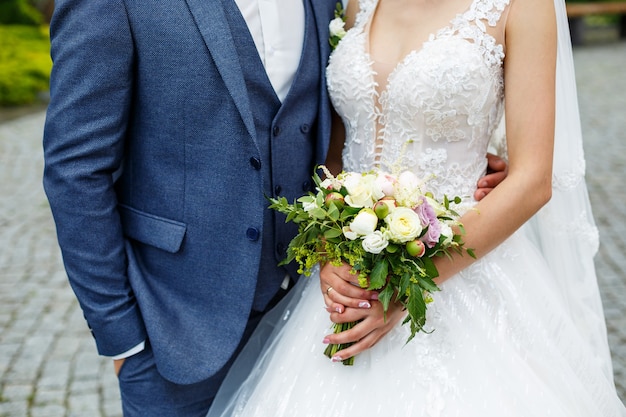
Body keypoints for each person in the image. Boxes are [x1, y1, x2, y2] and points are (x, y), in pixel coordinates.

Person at [41, 0, 508, 414]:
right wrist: (122, 335)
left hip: (309, 311)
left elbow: (358, 105)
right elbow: (75, 169)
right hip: (176, 325)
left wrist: (455, 156)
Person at [205, 0, 626, 415]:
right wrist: (330, 251)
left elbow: (533, 181)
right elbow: (337, 155)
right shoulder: (357, 4)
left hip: (461, 256)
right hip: (353, 267)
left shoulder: (522, 7)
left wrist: (407, 286)